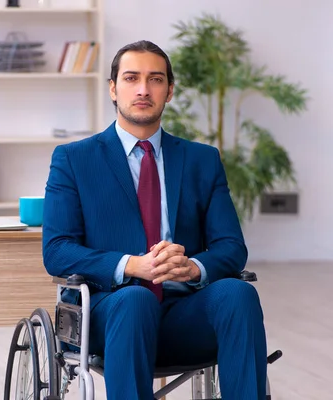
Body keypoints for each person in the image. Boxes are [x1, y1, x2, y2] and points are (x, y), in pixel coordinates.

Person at [42, 40, 268, 400]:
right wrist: (133, 265)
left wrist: (192, 267)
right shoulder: (74, 159)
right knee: (135, 300)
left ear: (170, 91)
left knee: (238, 293)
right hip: (112, 311)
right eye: (131, 78)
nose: (143, 89)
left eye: (155, 79)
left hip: (184, 312)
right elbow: (57, 251)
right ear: (113, 89)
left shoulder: (202, 160)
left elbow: (231, 247)